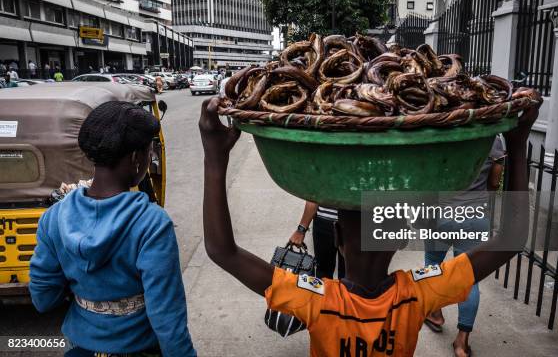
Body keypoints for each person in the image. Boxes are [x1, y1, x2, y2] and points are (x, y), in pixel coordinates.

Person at [199, 97, 538, 356]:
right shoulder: (418, 295)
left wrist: (215, 159)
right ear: (401, 238)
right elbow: (511, 238)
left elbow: (221, 251)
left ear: (339, 238)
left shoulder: (317, 300)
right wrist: (518, 143)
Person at [29, 101, 196, 357]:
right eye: (149, 152)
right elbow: (167, 317)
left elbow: (43, 298)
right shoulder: (152, 224)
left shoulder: (53, 218)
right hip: (139, 348)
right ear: (135, 157)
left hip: (80, 348)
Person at [423, 135, 506, 357]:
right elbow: (495, 182)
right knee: (470, 277)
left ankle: (435, 313)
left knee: (432, 264)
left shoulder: (444, 133)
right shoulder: (494, 139)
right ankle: (462, 342)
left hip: (440, 212)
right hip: (474, 215)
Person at [289, 202, 345, 279]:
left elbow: (367, 196)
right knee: (323, 273)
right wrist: (301, 230)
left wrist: (366, 241)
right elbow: (313, 197)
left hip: (357, 223)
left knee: (353, 275)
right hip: (324, 222)